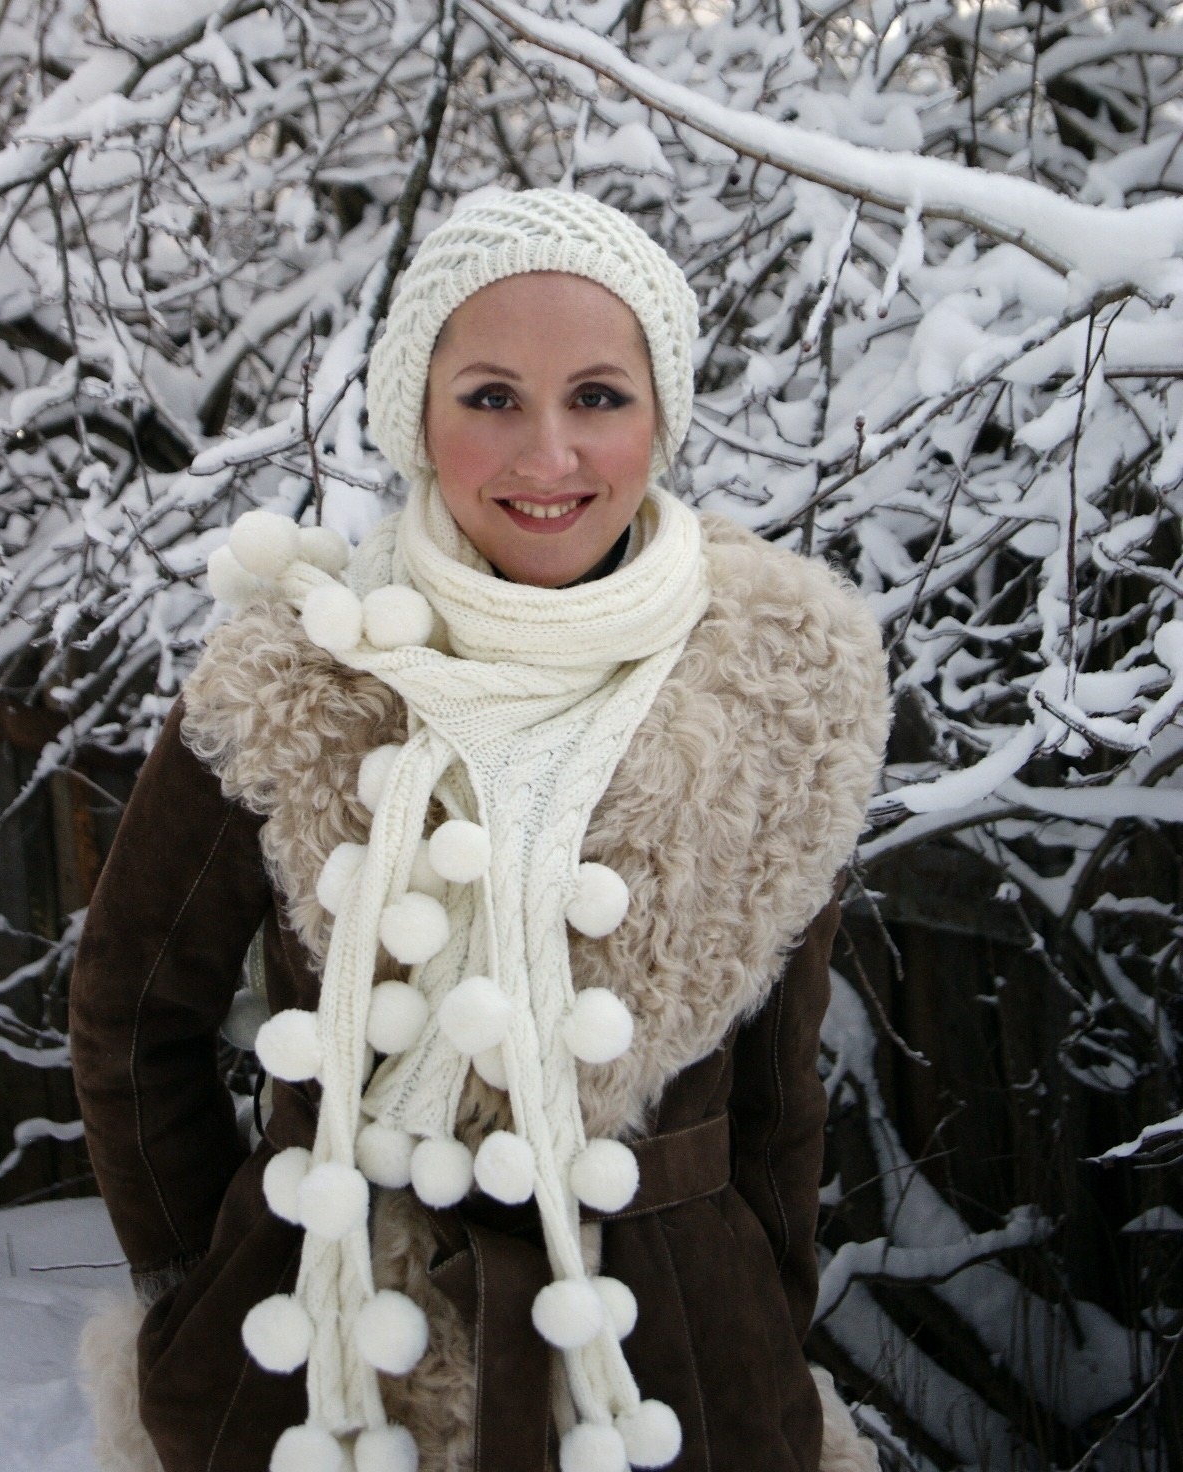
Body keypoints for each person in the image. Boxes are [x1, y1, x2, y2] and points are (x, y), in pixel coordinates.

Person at [71, 188, 890, 1472]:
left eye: (598, 397)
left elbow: (780, 1091)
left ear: (660, 416)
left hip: (670, 1374)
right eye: (492, 397)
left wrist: (753, 1311)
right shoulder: (296, 676)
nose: (547, 455)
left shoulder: (777, 688)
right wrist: (199, 1288)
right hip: (330, 1365)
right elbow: (130, 1014)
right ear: (419, 417)